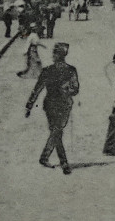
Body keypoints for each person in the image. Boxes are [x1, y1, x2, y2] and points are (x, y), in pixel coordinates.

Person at [25, 41, 80, 174]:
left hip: (54, 104)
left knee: (56, 131)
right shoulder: (70, 70)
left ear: (58, 55)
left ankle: (44, 157)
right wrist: (68, 90)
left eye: (54, 53)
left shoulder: (48, 70)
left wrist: (29, 106)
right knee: (57, 131)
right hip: (60, 105)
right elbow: (75, 89)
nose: (52, 56)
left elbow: (36, 90)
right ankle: (64, 163)